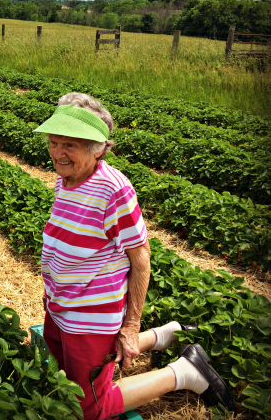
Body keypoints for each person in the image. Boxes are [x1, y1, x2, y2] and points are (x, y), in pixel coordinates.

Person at [35, 93, 235, 420]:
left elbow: (141, 259)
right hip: (59, 305)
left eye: (70, 145)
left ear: (97, 148)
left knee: (88, 408)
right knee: (65, 377)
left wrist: (130, 325)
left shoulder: (114, 190)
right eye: (54, 142)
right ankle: (163, 335)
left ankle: (184, 372)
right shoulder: (65, 179)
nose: (58, 152)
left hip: (90, 316)